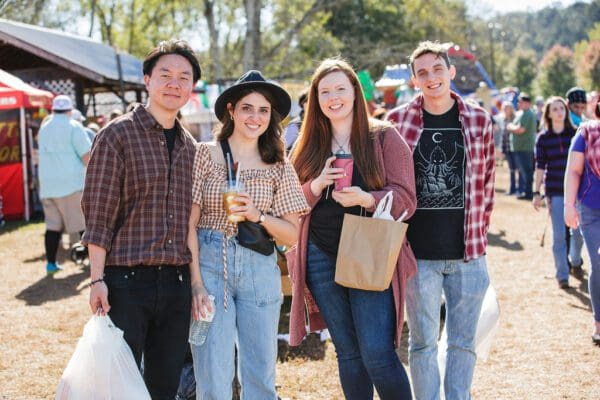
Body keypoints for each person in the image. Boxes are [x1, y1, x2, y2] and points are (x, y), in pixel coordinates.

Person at [81, 39, 201, 399]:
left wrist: (194, 285)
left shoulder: (190, 146)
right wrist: (97, 280)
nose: (174, 83)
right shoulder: (117, 135)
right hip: (126, 283)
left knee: (165, 385)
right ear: (147, 79)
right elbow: (99, 214)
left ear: (191, 89)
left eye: (184, 77)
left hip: (177, 284)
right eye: (165, 74)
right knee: (122, 383)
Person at [289, 58, 415, 399]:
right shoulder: (306, 144)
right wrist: (315, 186)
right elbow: (289, 203)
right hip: (319, 254)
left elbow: (406, 197)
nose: (333, 98)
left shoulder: (383, 136)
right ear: (315, 99)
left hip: (368, 250)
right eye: (324, 91)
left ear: (355, 94)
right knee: (348, 353)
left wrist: (368, 198)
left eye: (340, 89)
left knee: (378, 354)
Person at [188, 70, 309, 399]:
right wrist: (196, 282)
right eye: (247, 108)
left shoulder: (279, 165)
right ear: (230, 110)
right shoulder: (204, 155)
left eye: (263, 110)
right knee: (213, 371)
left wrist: (258, 215)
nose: (255, 117)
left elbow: (292, 234)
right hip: (212, 263)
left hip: (259, 264)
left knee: (260, 372)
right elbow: (189, 222)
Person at [387, 41, 494, 400]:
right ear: (414, 80)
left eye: (437, 69)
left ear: (450, 71)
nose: (431, 77)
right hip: (418, 257)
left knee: (464, 344)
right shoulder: (396, 121)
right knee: (422, 345)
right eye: (422, 73)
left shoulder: (479, 118)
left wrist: (479, 235)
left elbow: (487, 181)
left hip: (469, 255)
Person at [37, 95, 91, 274]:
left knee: (52, 226)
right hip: (71, 184)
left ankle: (51, 264)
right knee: (84, 224)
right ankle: (92, 263)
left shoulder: (44, 128)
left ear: (53, 109)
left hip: (47, 186)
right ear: (69, 110)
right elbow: (87, 156)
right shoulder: (73, 126)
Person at [532, 97, 579, 289]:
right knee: (559, 235)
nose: (560, 112)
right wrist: (536, 192)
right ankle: (562, 275)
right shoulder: (543, 138)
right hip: (555, 191)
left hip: (578, 193)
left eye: (562, 108)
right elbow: (540, 167)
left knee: (578, 234)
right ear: (549, 114)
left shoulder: (576, 135)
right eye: (555, 109)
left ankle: (575, 261)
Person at [564, 96, 600, 345]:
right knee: (598, 264)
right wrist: (568, 206)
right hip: (591, 208)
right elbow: (574, 170)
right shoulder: (586, 133)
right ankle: (599, 321)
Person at [508, 93, 537, 200]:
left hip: (525, 147)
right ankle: (526, 191)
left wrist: (510, 127)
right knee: (524, 171)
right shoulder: (522, 113)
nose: (519, 104)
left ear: (527, 103)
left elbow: (521, 130)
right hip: (520, 147)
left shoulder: (528, 114)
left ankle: (528, 193)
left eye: (520, 102)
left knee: (526, 171)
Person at [498, 101, 519, 195]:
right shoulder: (503, 120)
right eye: (505, 108)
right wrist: (502, 149)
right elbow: (503, 136)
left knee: (517, 168)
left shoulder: (515, 119)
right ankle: (512, 188)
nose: (506, 110)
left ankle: (519, 188)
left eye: (508, 108)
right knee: (511, 169)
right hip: (507, 148)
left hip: (515, 147)